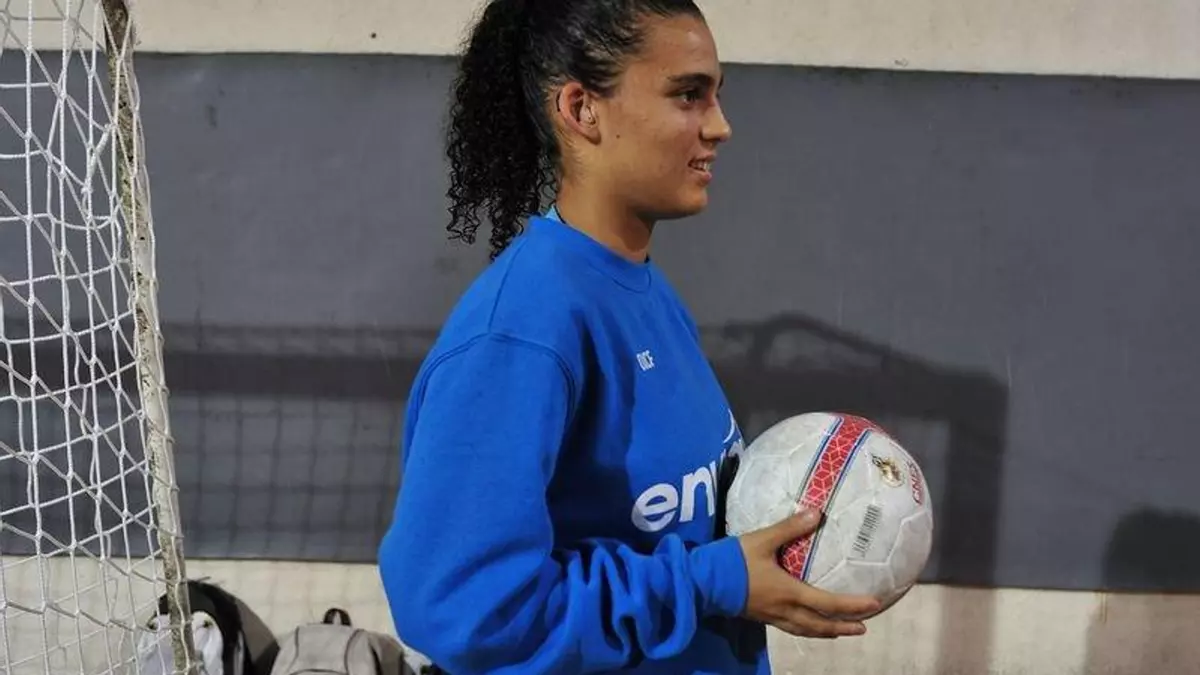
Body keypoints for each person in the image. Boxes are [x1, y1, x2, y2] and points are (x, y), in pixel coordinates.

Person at [376, 1, 881, 673]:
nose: (720, 126)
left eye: (716, 95)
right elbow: (465, 610)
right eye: (688, 95)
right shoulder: (521, 331)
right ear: (582, 109)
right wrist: (711, 581)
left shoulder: (644, 289)